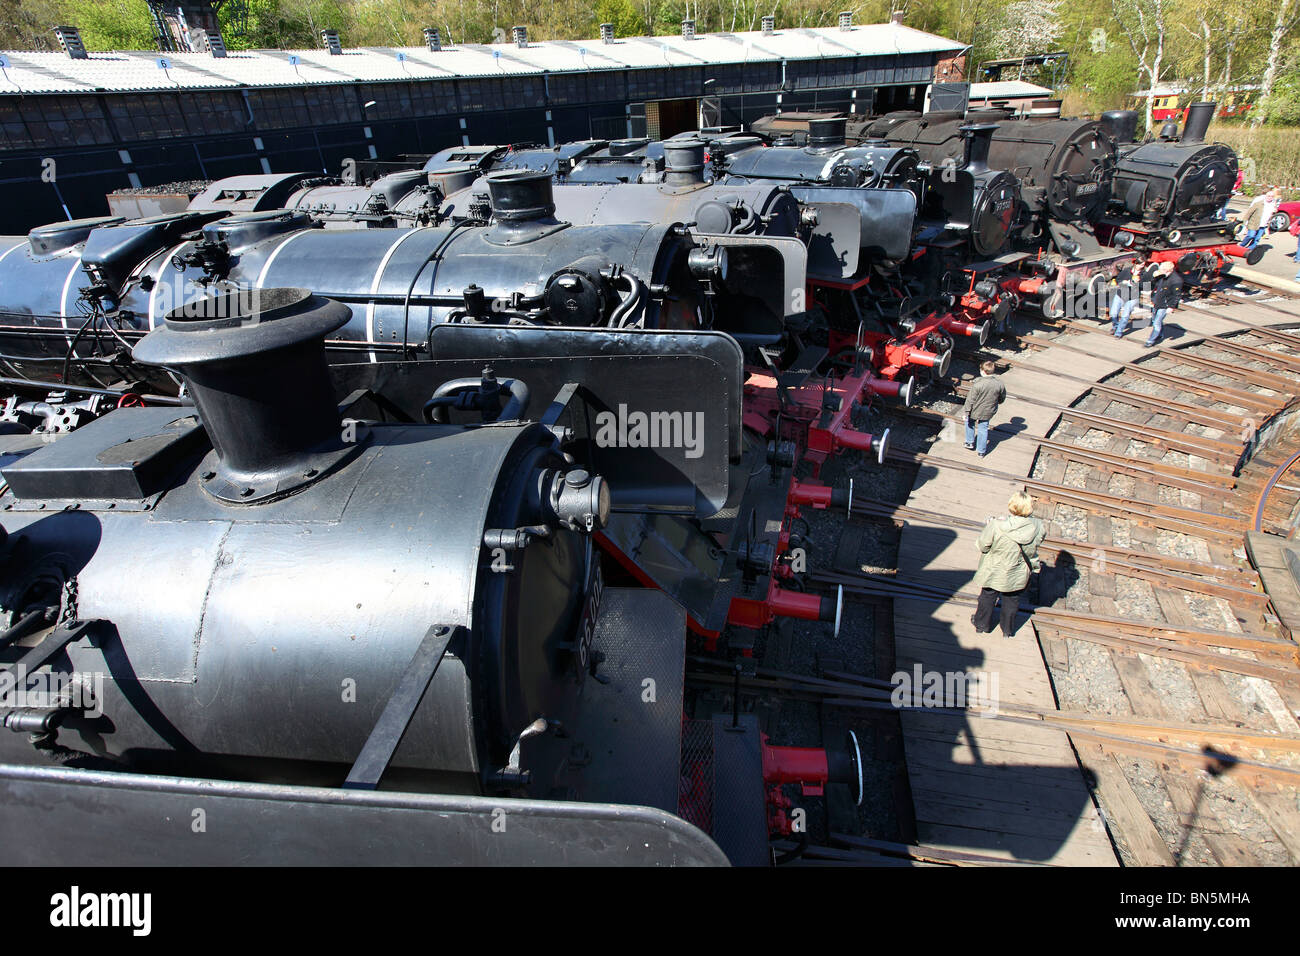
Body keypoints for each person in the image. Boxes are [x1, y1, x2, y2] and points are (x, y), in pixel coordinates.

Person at [972, 491, 1046, 637]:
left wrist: (990, 526)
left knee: (987, 596)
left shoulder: (997, 525)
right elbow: (1037, 542)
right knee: (1011, 600)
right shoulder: (1038, 527)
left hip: (994, 569)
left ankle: (981, 625)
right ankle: (1007, 630)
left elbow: (983, 546)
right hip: (1018, 571)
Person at [963, 360, 1005, 458]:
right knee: (983, 428)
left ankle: (969, 442)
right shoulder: (999, 384)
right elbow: (1002, 397)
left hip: (975, 410)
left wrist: (966, 412)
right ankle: (981, 451)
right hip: (989, 411)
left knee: (969, 423)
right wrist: (998, 402)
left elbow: (970, 399)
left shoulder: (978, 384)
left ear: (982, 371)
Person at [1146, 260, 1183, 348]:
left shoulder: (1176, 281)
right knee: (1155, 320)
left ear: (1167, 270)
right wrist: (1154, 278)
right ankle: (1160, 334)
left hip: (1165, 305)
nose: (1160, 271)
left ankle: (1150, 341)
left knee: (1156, 323)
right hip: (1157, 301)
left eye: (1162, 269)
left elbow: (1176, 295)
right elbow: (1155, 284)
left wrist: (1171, 307)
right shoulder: (1162, 275)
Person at [1109, 260, 1143, 338]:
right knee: (1113, 313)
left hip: (1132, 297)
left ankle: (1118, 332)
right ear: (1135, 264)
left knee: (1125, 316)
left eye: (1142, 265)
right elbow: (1118, 280)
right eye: (1140, 264)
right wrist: (1125, 282)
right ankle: (1115, 326)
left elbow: (1146, 286)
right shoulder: (1127, 271)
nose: (1141, 266)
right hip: (1121, 294)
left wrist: (1137, 283)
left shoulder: (1143, 274)